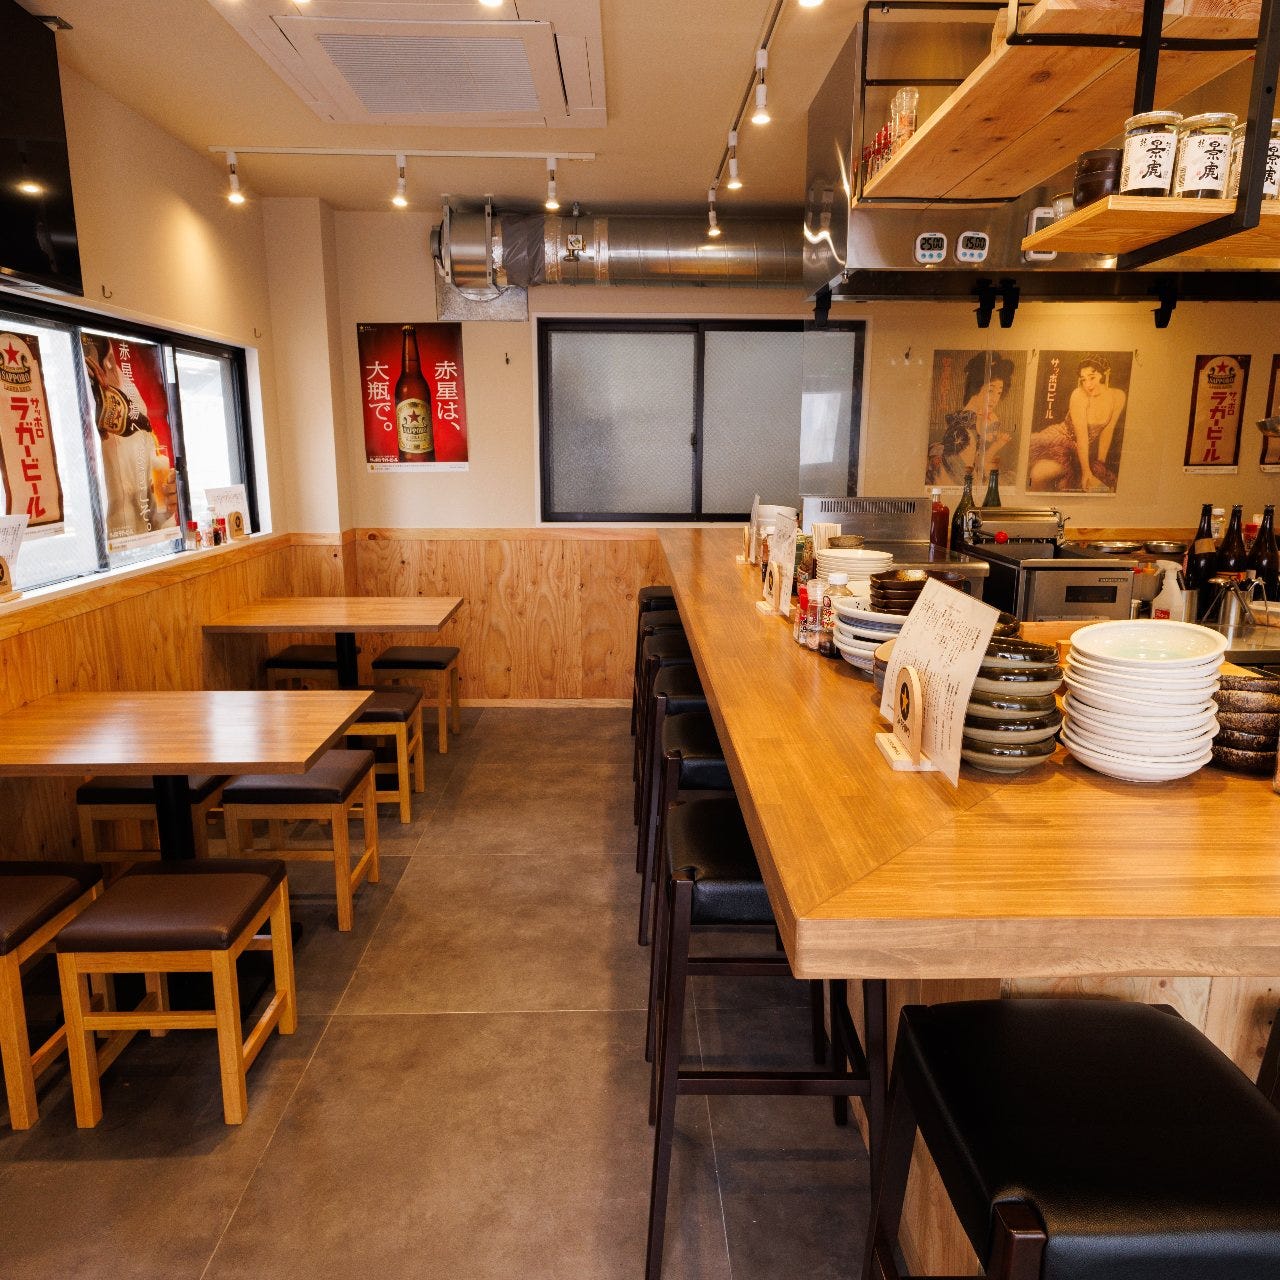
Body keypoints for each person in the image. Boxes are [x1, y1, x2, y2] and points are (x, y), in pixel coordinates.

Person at [81, 335, 176, 542]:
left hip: (142, 549)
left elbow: (154, 507)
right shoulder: (70, 387)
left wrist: (167, 506)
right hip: (96, 549)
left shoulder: (131, 396)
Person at [1027, 355, 1127, 493]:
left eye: (1092, 377)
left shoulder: (1118, 396)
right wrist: (1086, 471)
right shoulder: (1079, 395)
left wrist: (1100, 465)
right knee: (1039, 474)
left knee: (1101, 483)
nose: (1088, 384)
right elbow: (1082, 437)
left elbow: (1108, 430)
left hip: (1082, 450)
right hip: (1060, 440)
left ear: (1105, 373)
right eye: (1083, 379)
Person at [927, 353, 1015, 486]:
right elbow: (957, 479)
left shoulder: (981, 421)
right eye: (990, 391)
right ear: (975, 387)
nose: (995, 399)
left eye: (999, 392)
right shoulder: (962, 432)